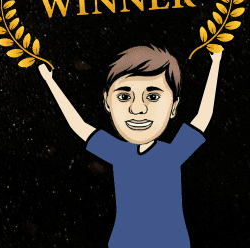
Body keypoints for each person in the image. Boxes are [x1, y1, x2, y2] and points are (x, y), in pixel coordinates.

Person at [38, 44, 223, 248]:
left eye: (153, 97)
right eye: (124, 97)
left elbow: (203, 117)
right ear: (107, 103)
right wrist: (50, 81)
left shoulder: (171, 154)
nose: (138, 109)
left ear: (174, 107)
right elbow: (79, 126)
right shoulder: (119, 153)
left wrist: (215, 64)